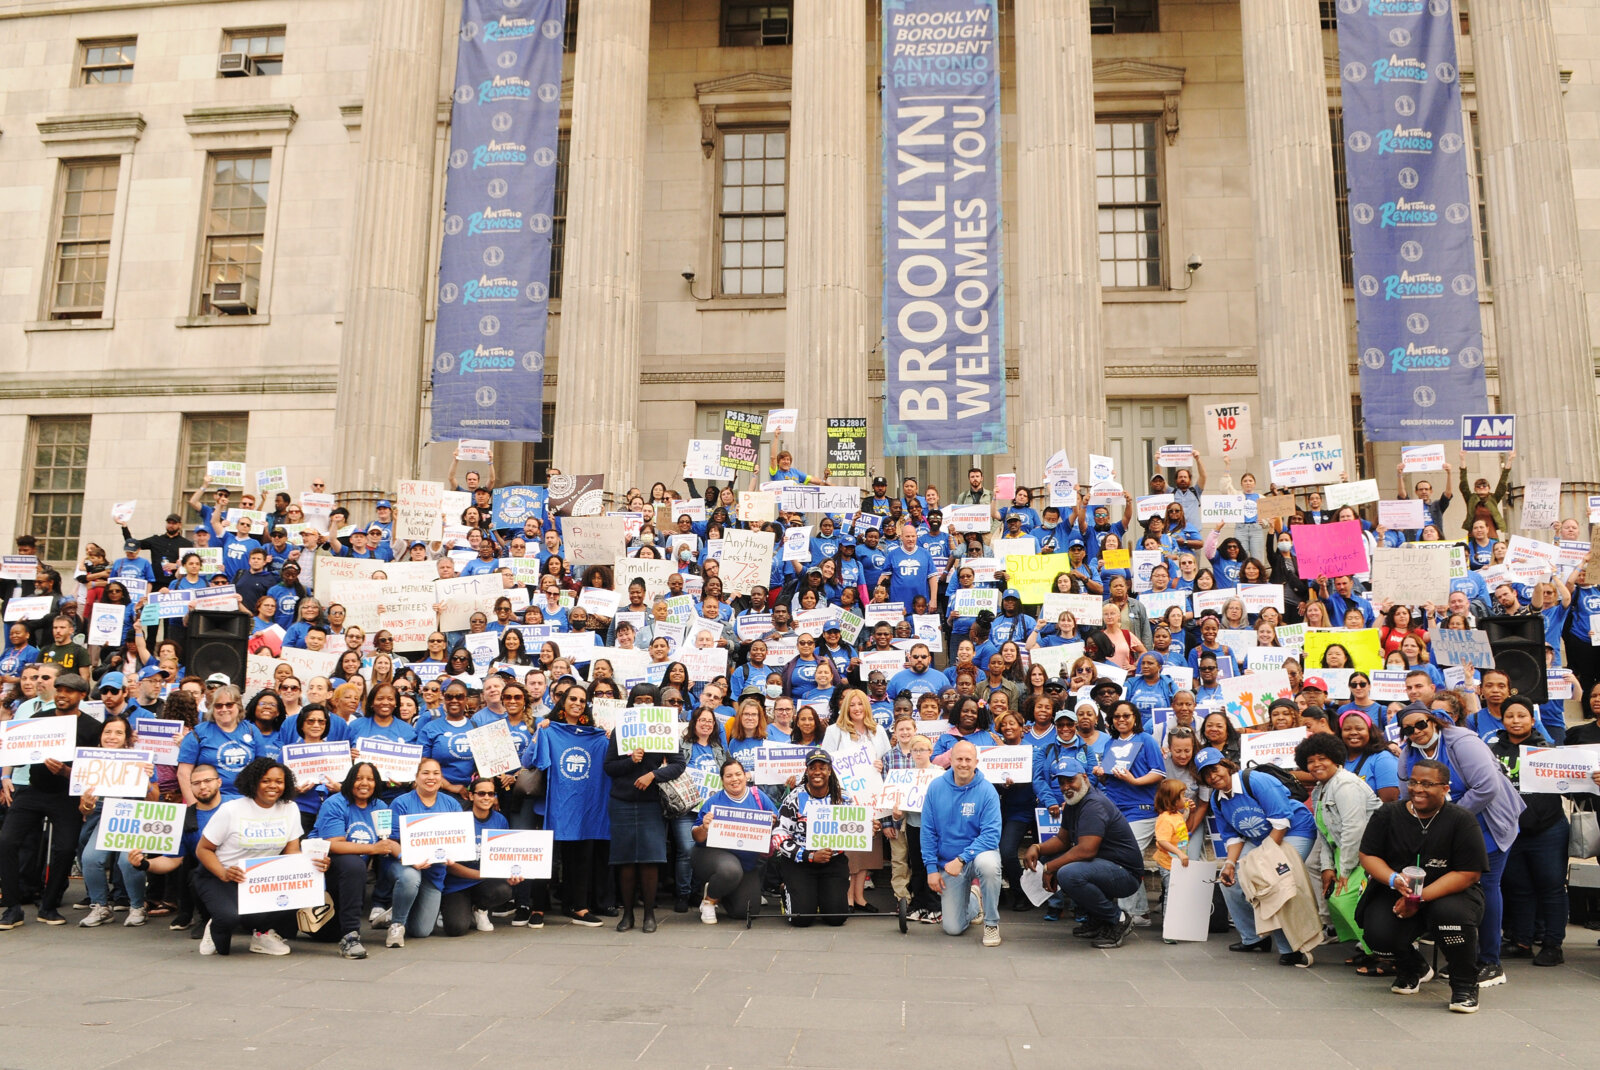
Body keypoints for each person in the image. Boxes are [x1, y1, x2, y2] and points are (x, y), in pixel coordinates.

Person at [1396, 700, 1524, 987]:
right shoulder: (1408, 755)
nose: (1416, 732)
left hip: (1488, 823)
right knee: (1455, 889)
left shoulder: (1463, 742)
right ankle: (1463, 958)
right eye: (1408, 729)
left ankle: (1491, 961)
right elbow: (1408, 795)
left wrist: (1447, 819)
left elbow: (1487, 787)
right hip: (1447, 829)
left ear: (1433, 721)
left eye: (1420, 724)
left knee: (1487, 885)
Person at [1357, 758, 1489, 1013]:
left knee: (1451, 917)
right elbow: (1368, 855)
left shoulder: (1462, 820)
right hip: (1396, 889)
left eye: (1427, 784)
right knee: (1378, 935)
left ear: (1445, 788)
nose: (1417, 789)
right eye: (1413, 782)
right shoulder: (1388, 814)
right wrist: (1394, 879)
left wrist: (1419, 897)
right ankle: (1413, 967)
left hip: (1449, 892)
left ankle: (1464, 984)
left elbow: (1469, 873)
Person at [192, 757, 329, 956]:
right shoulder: (232, 809)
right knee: (229, 919)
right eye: (266, 781)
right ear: (253, 781)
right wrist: (223, 873)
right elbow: (203, 850)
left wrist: (312, 865)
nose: (273, 786)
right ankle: (215, 927)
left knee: (293, 892)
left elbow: (292, 851)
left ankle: (262, 935)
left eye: (279, 781)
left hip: (259, 878)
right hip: (221, 875)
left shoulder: (290, 808)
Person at [1198, 747, 1319, 965]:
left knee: (1272, 879)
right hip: (1259, 839)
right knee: (1230, 882)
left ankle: (1291, 947)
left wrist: (1265, 859)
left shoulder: (1255, 780)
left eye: (1215, 769)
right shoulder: (1217, 799)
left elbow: (1281, 821)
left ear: (1226, 764)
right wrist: (1229, 865)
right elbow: (1233, 838)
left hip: (1294, 830)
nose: (1212, 776)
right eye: (1206, 774)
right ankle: (1254, 938)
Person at [0, 672, 103, 928]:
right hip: (33, 790)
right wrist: (7, 766)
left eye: (68, 691)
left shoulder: (92, 727)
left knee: (65, 849)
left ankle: (49, 905)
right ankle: (12, 907)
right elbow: (20, 756)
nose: (61, 695)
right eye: (59, 690)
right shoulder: (39, 719)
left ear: (81, 695)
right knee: (6, 841)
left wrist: (66, 772)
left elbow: (94, 770)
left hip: (66, 796)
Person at [1023, 756, 1145, 949]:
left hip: (1125, 874)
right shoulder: (1074, 802)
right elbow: (1062, 840)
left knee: (1068, 873)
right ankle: (1098, 918)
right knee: (1057, 863)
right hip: (1105, 867)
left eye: (1070, 780)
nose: (1065, 787)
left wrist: (1049, 868)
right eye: (1062, 783)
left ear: (1085, 778)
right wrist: (1037, 848)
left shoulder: (1093, 804)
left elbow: (1087, 850)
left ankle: (1118, 918)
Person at [1487, 696, 1569, 966]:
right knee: (1518, 888)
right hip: (1510, 832)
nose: (1516, 720)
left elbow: (1571, 788)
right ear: (1503, 719)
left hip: (1548, 830)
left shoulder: (1548, 749)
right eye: (1510, 715)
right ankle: (1521, 942)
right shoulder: (1490, 750)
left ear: (1533, 720)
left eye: (1522, 715)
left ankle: (1552, 945)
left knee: (1552, 887)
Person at [602, 709, 685, 933]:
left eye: (648, 701)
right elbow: (609, 767)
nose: (643, 704)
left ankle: (649, 914)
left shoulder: (666, 731)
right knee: (625, 860)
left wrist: (653, 775)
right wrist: (631, 761)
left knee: (650, 859)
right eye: (639, 700)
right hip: (622, 802)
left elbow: (679, 764)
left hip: (652, 803)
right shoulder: (621, 731)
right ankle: (627, 914)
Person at [920, 739, 1004, 946]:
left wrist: (962, 858)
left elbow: (991, 835)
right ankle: (974, 901)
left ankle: (991, 923)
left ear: (976, 762)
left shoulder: (987, 790)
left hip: (977, 855)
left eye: (968, 759)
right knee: (952, 929)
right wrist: (931, 868)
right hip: (948, 863)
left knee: (989, 865)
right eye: (959, 759)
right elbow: (928, 831)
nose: (964, 764)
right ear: (951, 760)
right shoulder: (936, 787)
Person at [314, 761, 399, 959]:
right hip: (326, 872)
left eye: (370, 779)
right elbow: (333, 844)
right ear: (350, 780)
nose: (364, 783)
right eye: (359, 778)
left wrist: (409, 857)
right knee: (352, 864)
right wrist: (373, 848)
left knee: (364, 866)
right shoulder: (335, 803)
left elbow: (386, 841)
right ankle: (350, 937)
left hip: (354, 878)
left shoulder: (379, 806)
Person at [690, 757, 776, 923]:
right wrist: (705, 827)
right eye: (729, 776)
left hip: (747, 863)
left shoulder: (758, 796)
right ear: (722, 781)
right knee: (730, 871)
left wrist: (772, 822)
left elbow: (776, 819)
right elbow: (696, 836)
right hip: (712, 856)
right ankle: (710, 900)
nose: (734, 779)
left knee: (747, 911)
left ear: (745, 776)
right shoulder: (714, 801)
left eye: (738, 774)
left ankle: (722, 889)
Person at [774, 749, 851, 927]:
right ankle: (787, 890)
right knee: (801, 919)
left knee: (836, 919)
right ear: (806, 771)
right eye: (813, 767)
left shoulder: (842, 797)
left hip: (833, 861)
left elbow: (854, 829)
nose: (817, 772)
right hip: (800, 862)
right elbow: (778, 834)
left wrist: (870, 828)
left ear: (830, 770)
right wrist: (808, 855)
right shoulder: (794, 798)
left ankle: (819, 896)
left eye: (822, 768)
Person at [439, 777, 517, 937]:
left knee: (504, 890)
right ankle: (448, 908)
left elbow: (503, 857)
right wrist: (480, 874)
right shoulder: (458, 820)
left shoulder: (500, 820)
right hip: (457, 884)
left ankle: (479, 909)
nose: (487, 797)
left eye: (491, 793)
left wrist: (510, 873)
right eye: (481, 793)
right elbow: (449, 865)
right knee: (456, 929)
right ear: (471, 796)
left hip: (484, 884)